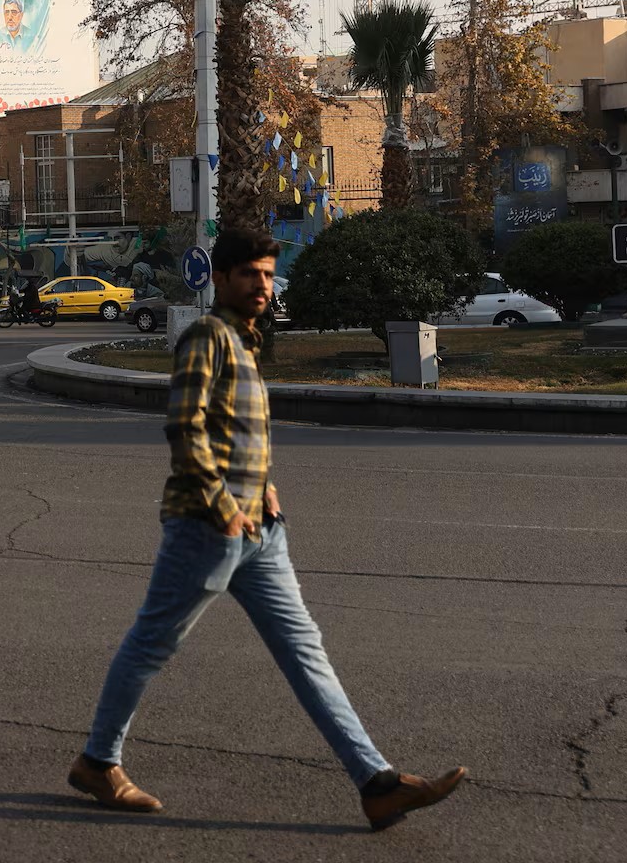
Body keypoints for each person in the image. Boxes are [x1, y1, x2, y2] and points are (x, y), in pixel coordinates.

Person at [68, 228, 465, 832]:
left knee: (305, 652)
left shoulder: (243, 342)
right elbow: (185, 427)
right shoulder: (207, 337)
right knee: (152, 644)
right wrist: (224, 503)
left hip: (258, 528)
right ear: (221, 278)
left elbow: (235, 433)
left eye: (269, 275)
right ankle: (99, 762)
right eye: (250, 274)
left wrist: (264, 488)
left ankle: (377, 784)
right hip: (206, 526)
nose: (263, 285)